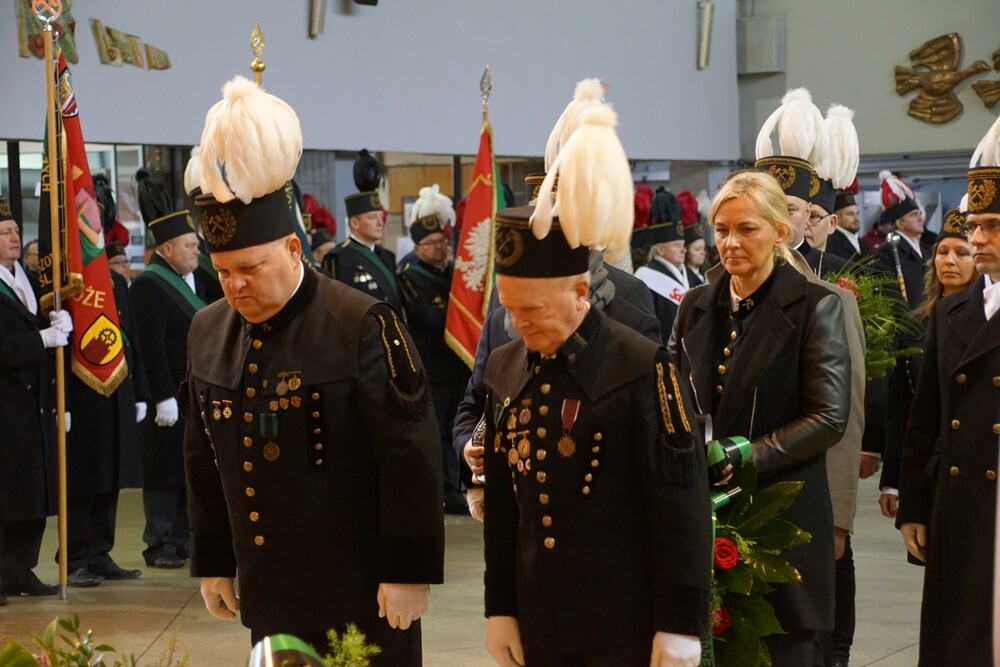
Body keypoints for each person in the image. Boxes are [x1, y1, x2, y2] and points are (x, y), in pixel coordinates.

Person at [185, 75, 444, 663]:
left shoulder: (361, 322)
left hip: (363, 588)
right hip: (270, 588)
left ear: (294, 250)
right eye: (223, 271)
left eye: (250, 268)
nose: (235, 286)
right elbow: (204, 456)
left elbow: (411, 453)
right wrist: (214, 561)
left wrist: (408, 570)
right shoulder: (208, 329)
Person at [483, 103, 710, 667]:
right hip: (540, 618)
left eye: (533, 308)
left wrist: (680, 625)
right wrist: (500, 608)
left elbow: (680, 505)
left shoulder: (642, 367)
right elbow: (506, 508)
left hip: (624, 622)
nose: (518, 324)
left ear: (581, 294)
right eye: (510, 309)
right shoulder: (507, 368)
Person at [673, 170, 851, 665]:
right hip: (701, 512)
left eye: (747, 229)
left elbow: (830, 416)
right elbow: (669, 397)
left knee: (785, 649)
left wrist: (747, 453)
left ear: (780, 231)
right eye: (722, 230)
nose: (730, 243)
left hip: (783, 512)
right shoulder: (694, 305)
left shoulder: (817, 306)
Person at [897, 114, 1000, 664]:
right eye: (974, 223)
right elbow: (926, 417)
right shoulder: (951, 310)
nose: (976, 237)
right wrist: (913, 504)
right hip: (959, 502)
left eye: (991, 225)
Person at [59, 180, 151, 588]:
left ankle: (100, 551)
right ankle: (76, 555)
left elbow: (132, 338)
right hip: (82, 392)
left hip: (117, 388)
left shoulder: (115, 282)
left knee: (111, 472)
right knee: (84, 475)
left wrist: (142, 393)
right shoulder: (69, 279)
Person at [130, 171, 209, 570]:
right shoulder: (148, 285)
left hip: (192, 392)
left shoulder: (191, 280)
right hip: (167, 396)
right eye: (190, 245)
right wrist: (161, 394)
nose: (197, 250)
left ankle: (180, 537)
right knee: (163, 470)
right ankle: (158, 542)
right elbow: (149, 347)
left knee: (187, 466)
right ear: (167, 248)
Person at [878, 208, 977, 518]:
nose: (949, 261)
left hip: (974, 464)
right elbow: (902, 408)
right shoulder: (915, 324)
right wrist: (891, 482)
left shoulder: (987, 326)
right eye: (942, 252)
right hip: (926, 466)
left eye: (962, 253)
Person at [0, 200, 70, 603]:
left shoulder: (24, 278)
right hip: (5, 405)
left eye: (15, 230)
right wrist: (39, 340)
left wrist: (54, 325)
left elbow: (33, 325)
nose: (14, 238)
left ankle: (18, 569)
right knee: (6, 493)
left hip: (33, 405)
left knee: (31, 492)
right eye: (5, 232)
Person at [398, 185, 469, 514]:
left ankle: (461, 486)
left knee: (460, 428)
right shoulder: (411, 276)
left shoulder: (454, 274)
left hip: (459, 366)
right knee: (438, 432)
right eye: (433, 243)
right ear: (419, 247)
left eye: (443, 241)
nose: (441, 247)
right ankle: (446, 491)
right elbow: (427, 316)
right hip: (434, 369)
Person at [323, 150, 403, 311]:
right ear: (354, 223)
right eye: (372, 218)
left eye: (380, 217)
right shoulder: (337, 257)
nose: (380, 223)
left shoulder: (387, 256)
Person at [634, 188, 690, 342]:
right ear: (660, 249)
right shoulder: (644, 280)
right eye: (677, 245)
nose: (684, 250)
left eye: (683, 244)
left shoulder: (689, 275)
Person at [874, 171, 934, 310]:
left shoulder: (924, 249)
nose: (920, 219)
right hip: (910, 324)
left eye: (920, 214)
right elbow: (891, 296)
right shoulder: (889, 251)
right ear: (900, 223)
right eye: (914, 215)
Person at [825, 180, 872, 262]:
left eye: (857, 213)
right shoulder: (831, 243)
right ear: (837, 218)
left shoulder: (862, 244)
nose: (856, 218)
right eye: (850, 214)